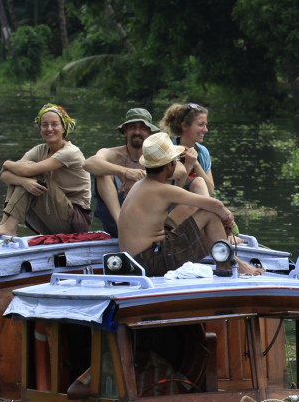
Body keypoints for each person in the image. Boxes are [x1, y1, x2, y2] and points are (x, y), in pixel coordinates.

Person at [117, 132, 260, 277]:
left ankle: (223, 261)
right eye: (175, 160)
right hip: (149, 262)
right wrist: (228, 218)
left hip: (131, 261)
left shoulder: (140, 184)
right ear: (169, 166)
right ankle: (231, 262)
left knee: (190, 207)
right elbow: (216, 205)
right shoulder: (162, 189)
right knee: (209, 213)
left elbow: (200, 203)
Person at [0, 104, 91, 237]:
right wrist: (23, 182)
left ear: (63, 128)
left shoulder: (71, 152)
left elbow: (26, 170)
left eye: (54, 124)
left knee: (33, 171)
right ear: (40, 128)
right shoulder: (40, 150)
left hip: (75, 221)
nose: (49, 129)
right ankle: (5, 223)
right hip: (50, 217)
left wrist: (7, 163)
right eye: (44, 125)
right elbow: (5, 175)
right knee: (25, 175)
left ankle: (9, 227)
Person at [82, 107, 183, 237]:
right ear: (125, 131)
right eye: (132, 127)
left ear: (150, 133)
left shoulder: (158, 155)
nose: (137, 132)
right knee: (102, 171)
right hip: (117, 226)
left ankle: (162, 229)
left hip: (150, 224)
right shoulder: (113, 154)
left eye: (142, 127)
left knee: (167, 173)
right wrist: (126, 172)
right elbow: (88, 163)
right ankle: (122, 224)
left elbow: (180, 169)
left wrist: (141, 176)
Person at [161, 101, 214, 196]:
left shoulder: (203, 152)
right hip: (173, 205)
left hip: (197, 205)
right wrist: (188, 166)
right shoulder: (168, 151)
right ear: (184, 126)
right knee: (198, 182)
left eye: (206, 125)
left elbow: (210, 191)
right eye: (201, 124)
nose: (206, 130)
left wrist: (196, 164)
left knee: (199, 181)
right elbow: (170, 194)